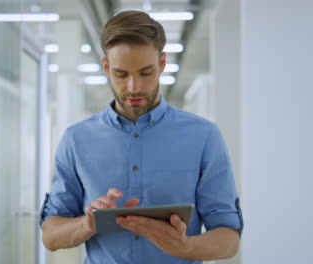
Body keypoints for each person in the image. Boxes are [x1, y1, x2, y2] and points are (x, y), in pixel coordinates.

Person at [40, 10, 243, 263]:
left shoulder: (204, 136)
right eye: (121, 74)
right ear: (106, 67)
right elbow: (51, 235)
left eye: (145, 73)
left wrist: (185, 247)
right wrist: (87, 224)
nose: (133, 87)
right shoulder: (75, 139)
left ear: (161, 64)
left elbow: (228, 238)